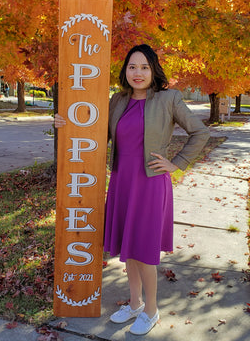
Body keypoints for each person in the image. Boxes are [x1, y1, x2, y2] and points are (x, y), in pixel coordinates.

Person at [55, 44, 210, 335]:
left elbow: (201, 132)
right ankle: (135, 303)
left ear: (154, 70)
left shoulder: (169, 98)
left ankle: (151, 311)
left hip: (150, 183)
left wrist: (177, 162)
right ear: (125, 71)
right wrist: (66, 124)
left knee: (143, 250)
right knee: (129, 250)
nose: (137, 73)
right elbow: (94, 132)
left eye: (144, 67)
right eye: (132, 67)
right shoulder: (118, 100)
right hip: (122, 181)